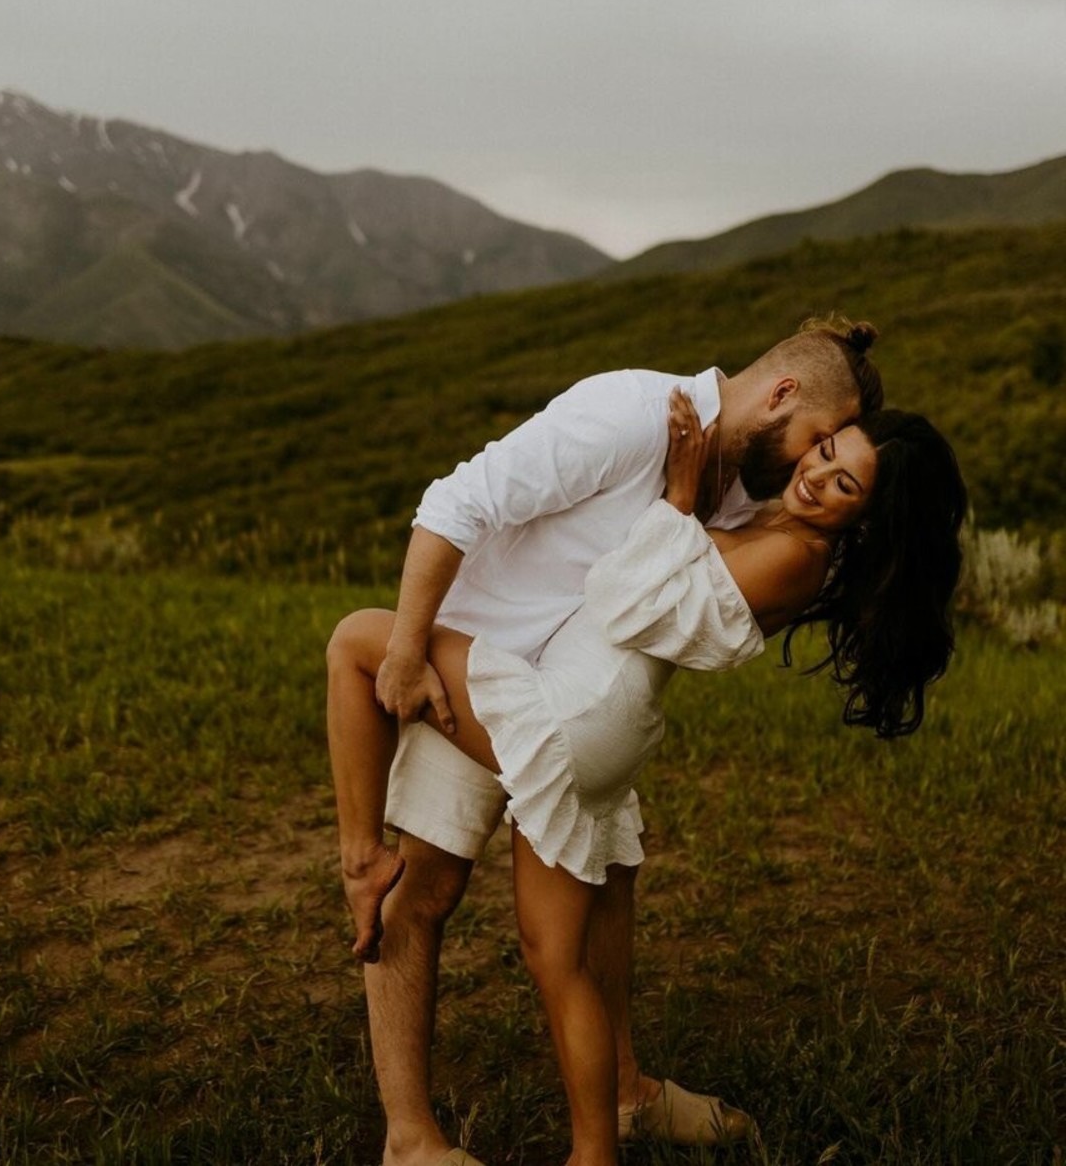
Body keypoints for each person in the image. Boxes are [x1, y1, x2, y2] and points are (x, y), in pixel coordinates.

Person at [330, 395, 966, 1166]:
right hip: (603, 720)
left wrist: (678, 499)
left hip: (574, 715)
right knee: (557, 956)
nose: (816, 475)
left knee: (357, 642)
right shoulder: (781, 527)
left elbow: (626, 602)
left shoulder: (795, 557)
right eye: (827, 452)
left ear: (866, 520)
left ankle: (362, 858)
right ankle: (596, 1149)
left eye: (844, 485)